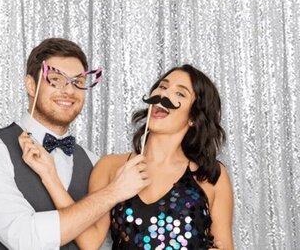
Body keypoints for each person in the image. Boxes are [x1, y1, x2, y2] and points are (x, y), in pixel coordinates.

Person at [0, 38, 150, 250]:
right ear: (31, 85)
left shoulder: (94, 162)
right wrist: (114, 192)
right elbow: (26, 239)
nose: (69, 91)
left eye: (78, 82)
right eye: (55, 79)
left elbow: (102, 244)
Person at [22, 64, 234, 250]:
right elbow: (89, 241)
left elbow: (225, 245)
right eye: (162, 86)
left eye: (180, 94)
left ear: (194, 118)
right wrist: (49, 175)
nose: (164, 96)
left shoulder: (210, 175)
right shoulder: (111, 167)